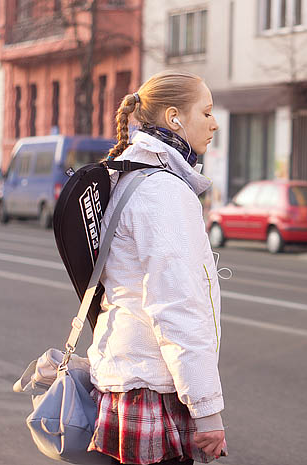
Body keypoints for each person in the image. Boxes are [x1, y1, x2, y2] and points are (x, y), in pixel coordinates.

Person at [85, 70, 225, 465]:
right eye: (207, 112)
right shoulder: (163, 191)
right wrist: (206, 408)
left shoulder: (131, 174)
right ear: (175, 118)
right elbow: (176, 304)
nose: (215, 123)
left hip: (125, 377)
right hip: (151, 387)